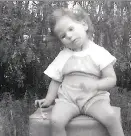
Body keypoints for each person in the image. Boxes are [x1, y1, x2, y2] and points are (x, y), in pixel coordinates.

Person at [34, 5, 124, 136]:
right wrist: (48, 99)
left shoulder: (99, 52)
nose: (69, 36)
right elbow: (56, 80)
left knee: (111, 117)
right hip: (68, 100)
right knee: (56, 121)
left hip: (94, 98)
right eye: (63, 35)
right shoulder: (63, 56)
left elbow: (111, 79)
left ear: (84, 25)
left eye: (71, 29)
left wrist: (96, 85)